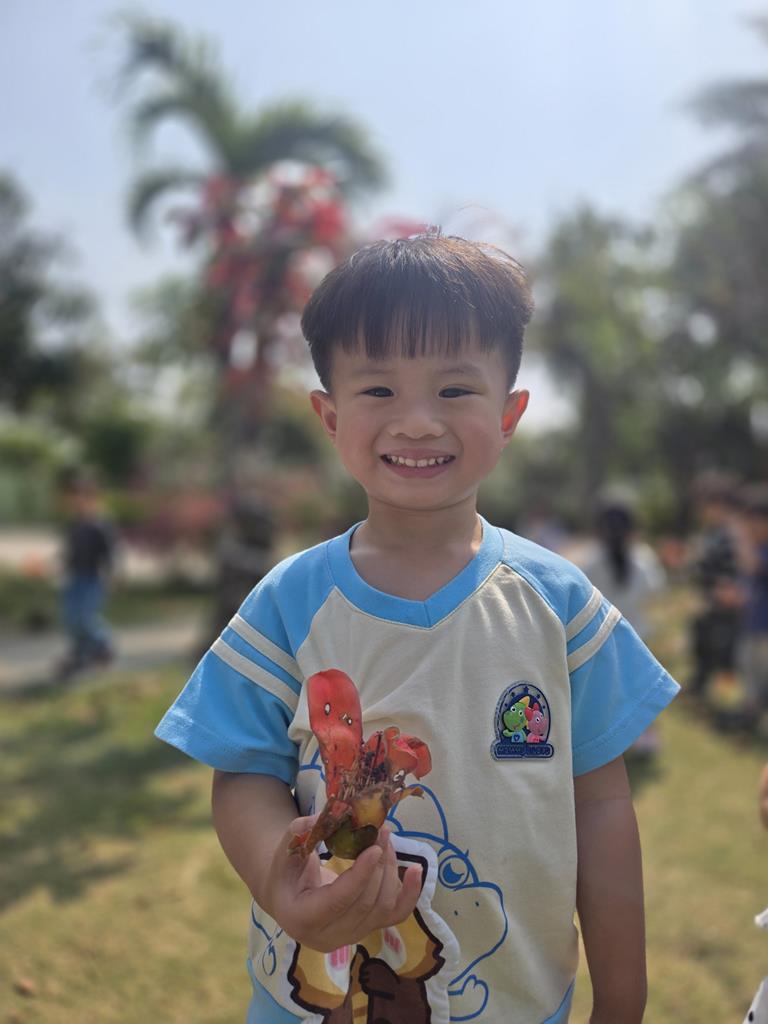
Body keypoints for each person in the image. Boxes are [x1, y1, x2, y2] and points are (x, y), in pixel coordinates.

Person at [156, 234, 679, 1024]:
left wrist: (624, 998)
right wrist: (280, 880)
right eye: (378, 390)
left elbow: (602, 806)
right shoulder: (287, 603)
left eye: (455, 388)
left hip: (520, 1005)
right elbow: (243, 775)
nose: (418, 422)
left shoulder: (561, 605)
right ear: (330, 416)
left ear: (509, 414)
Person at [579, 497, 667, 756]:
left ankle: (608, 742)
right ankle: (646, 739)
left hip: (601, 636)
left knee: (606, 692)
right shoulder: (643, 557)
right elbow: (657, 589)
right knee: (639, 689)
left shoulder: (590, 559)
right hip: (638, 632)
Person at [686, 471, 744, 700]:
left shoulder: (734, 534)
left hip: (728, 602)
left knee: (723, 650)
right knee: (704, 643)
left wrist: (727, 588)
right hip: (710, 599)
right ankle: (702, 690)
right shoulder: (711, 532)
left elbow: (737, 569)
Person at [56, 471, 116, 679]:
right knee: (71, 618)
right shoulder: (74, 524)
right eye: (73, 496)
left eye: (82, 496)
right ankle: (80, 654)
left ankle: (103, 645)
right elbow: (70, 552)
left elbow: (109, 552)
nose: (77, 501)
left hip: (92, 578)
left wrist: (112, 574)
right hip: (74, 577)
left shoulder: (99, 524)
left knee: (85, 618)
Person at [738, 484, 768, 731]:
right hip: (754, 622)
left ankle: (753, 713)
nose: (750, 528)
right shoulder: (757, 547)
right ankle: (751, 714)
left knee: (760, 672)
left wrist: (743, 539)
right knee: (748, 666)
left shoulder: (760, 549)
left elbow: (752, 566)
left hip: (764, 626)